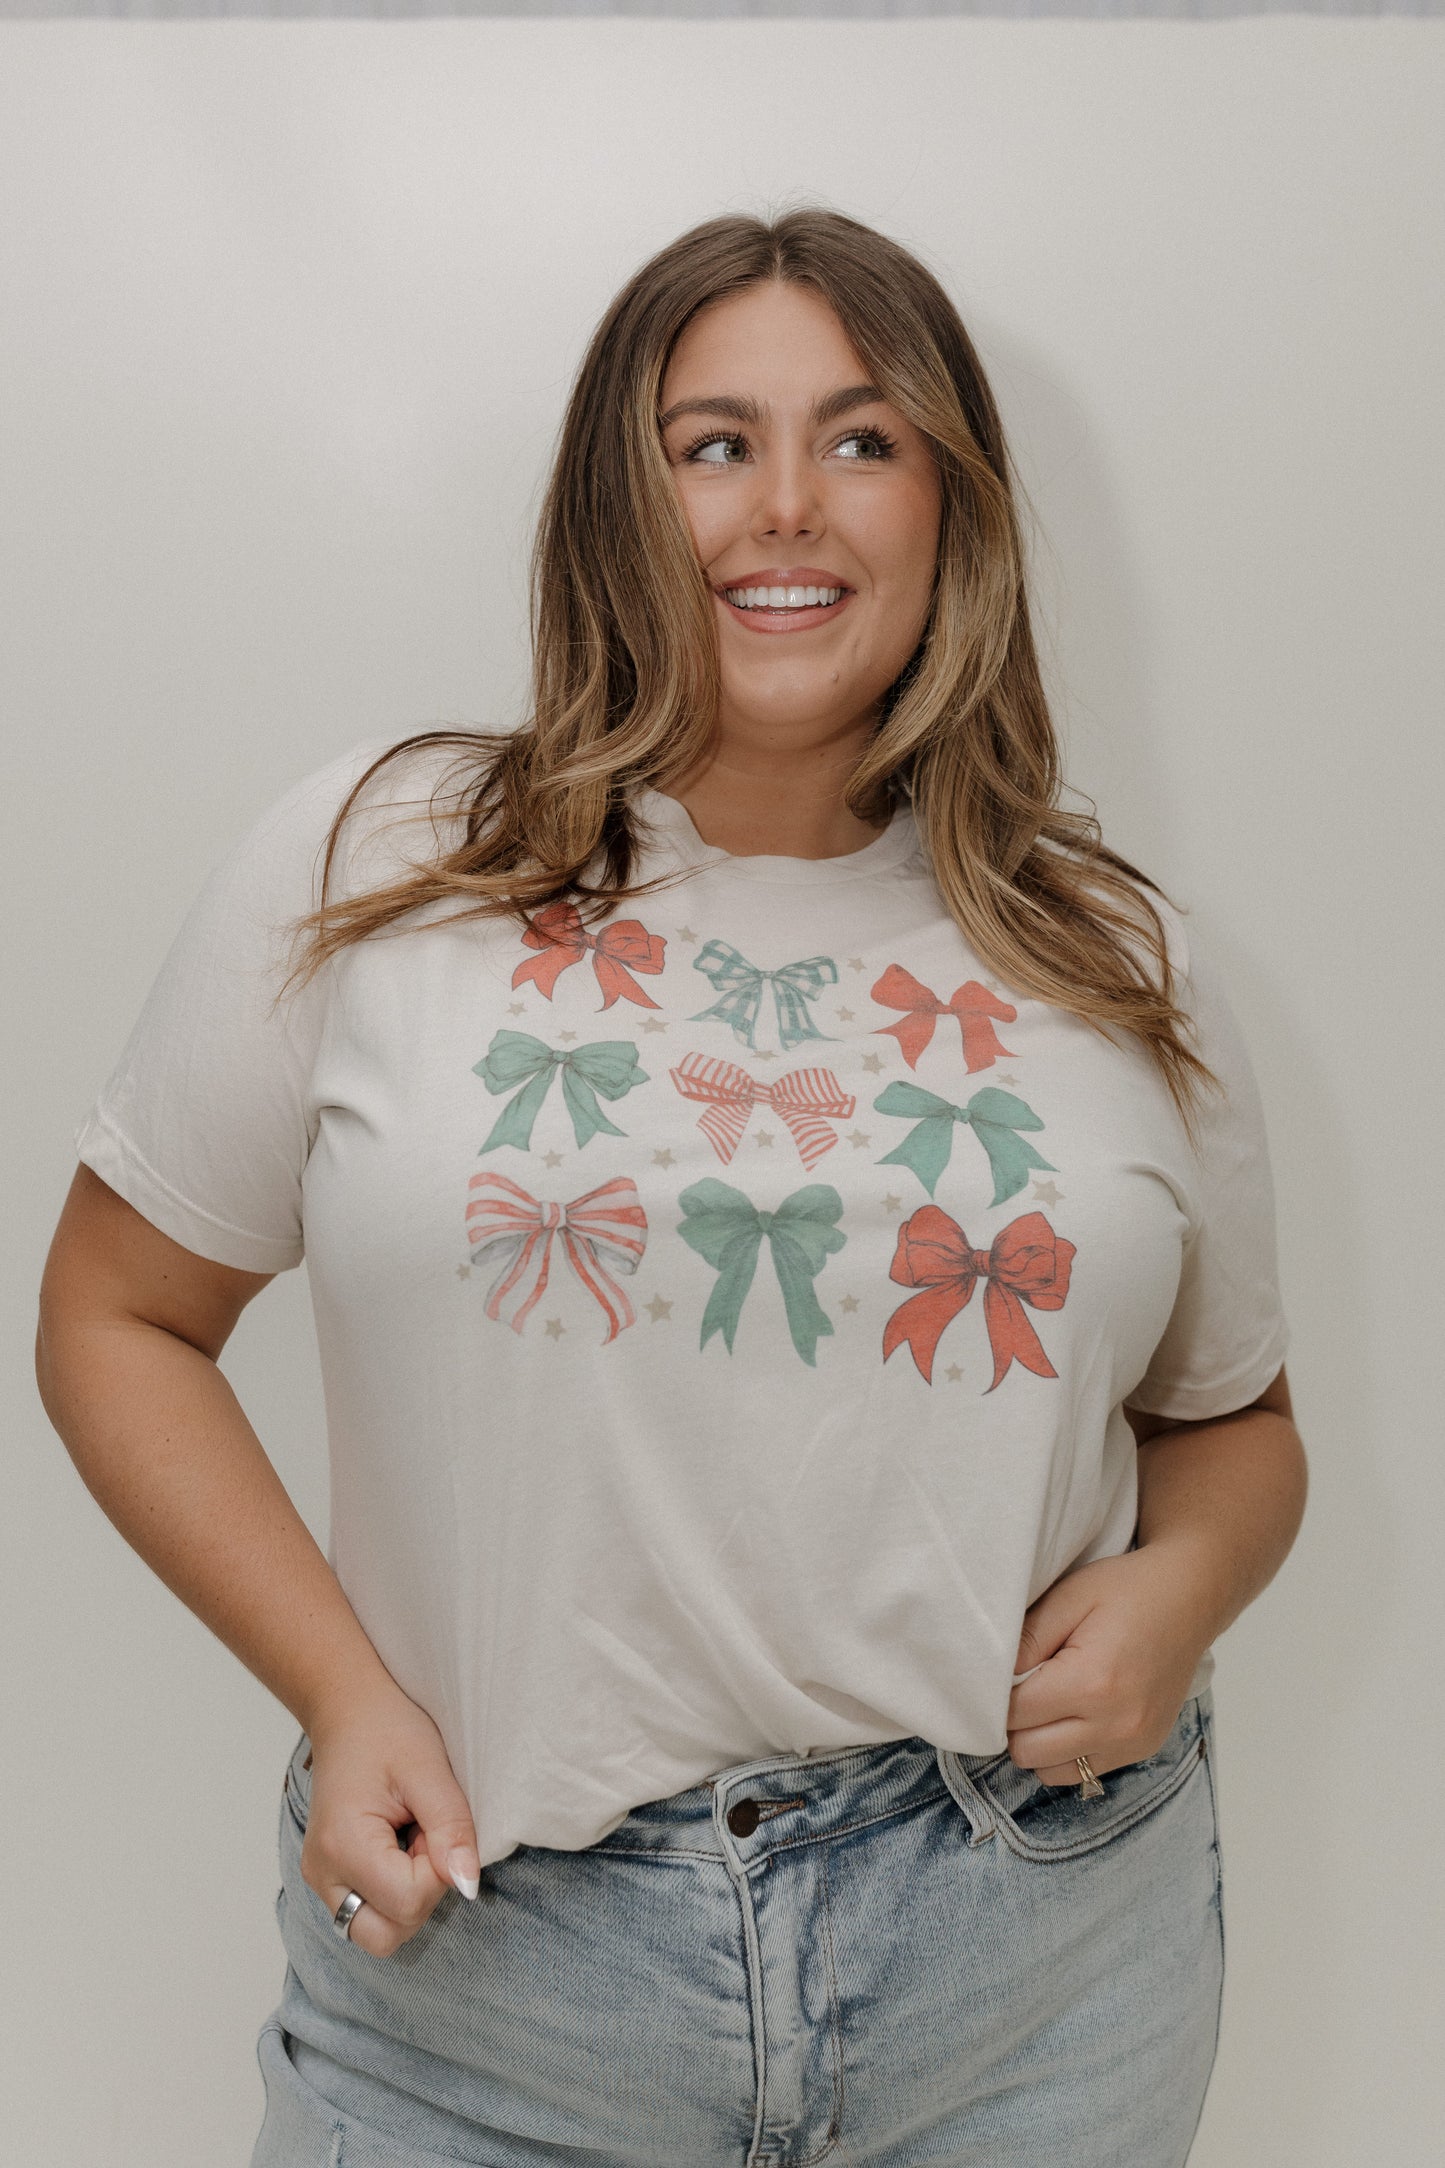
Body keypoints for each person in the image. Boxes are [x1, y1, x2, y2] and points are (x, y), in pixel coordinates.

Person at [36, 206, 1306, 2167]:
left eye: (863, 438)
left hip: (1032, 1958)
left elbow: (1240, 1427)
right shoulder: (379, 857)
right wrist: (340, 1690)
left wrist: (1179, 1594)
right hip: (484, 1965)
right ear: (615, 502)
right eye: (714, 442)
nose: (787, 505)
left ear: (952, 504)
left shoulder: (1114, 951)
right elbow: (114, 1316)